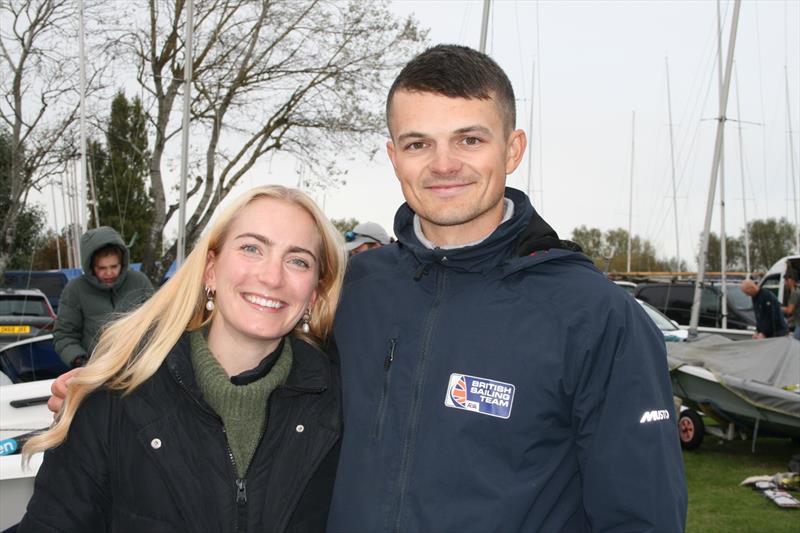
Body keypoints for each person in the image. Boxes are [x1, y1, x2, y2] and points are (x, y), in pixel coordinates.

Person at [327, 44, 687, 532]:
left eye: (470, 140)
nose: (444, 164)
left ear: (513, 149)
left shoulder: (595, 315)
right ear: (394, 157)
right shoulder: (354, 290)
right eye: (418, 144)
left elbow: (642, 517)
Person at [20, 186, 347, 532]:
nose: (272, 277)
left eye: (298, 260)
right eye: (252, 248)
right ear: (210, 269)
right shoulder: (113, 401)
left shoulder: (342, 407)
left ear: (313, 293)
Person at [53, 226, 154, 368]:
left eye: (114, 266)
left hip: (138, 368)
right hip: (95, 370)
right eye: (102, 268)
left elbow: (157, 323)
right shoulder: (75, 290)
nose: (109, 273)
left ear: (122, 263)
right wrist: (80, 361)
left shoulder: (140, 282)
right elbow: (64, 335)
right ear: (91, 267)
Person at [781, 271, 800, 340]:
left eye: (785, 281)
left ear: (790, 281)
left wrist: (777, 307)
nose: (785, 284)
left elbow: (789, 310)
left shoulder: (794, 293)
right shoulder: (798, 290)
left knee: (796, 344)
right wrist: (789, 320)